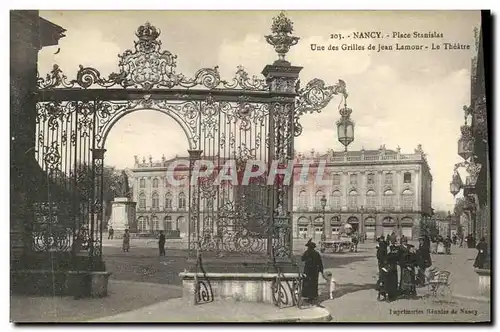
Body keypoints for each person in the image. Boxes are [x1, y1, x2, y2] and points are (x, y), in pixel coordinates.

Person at [301, 239, 326, 304]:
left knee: (307, 283)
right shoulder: (316, 253)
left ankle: (308, 297)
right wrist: (321, 271)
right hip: (314, 271)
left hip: (308, 271)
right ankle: (312, 296)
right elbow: (320, 263)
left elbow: (302, 259)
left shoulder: (307, 252)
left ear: (309, 247)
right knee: (313, 284)